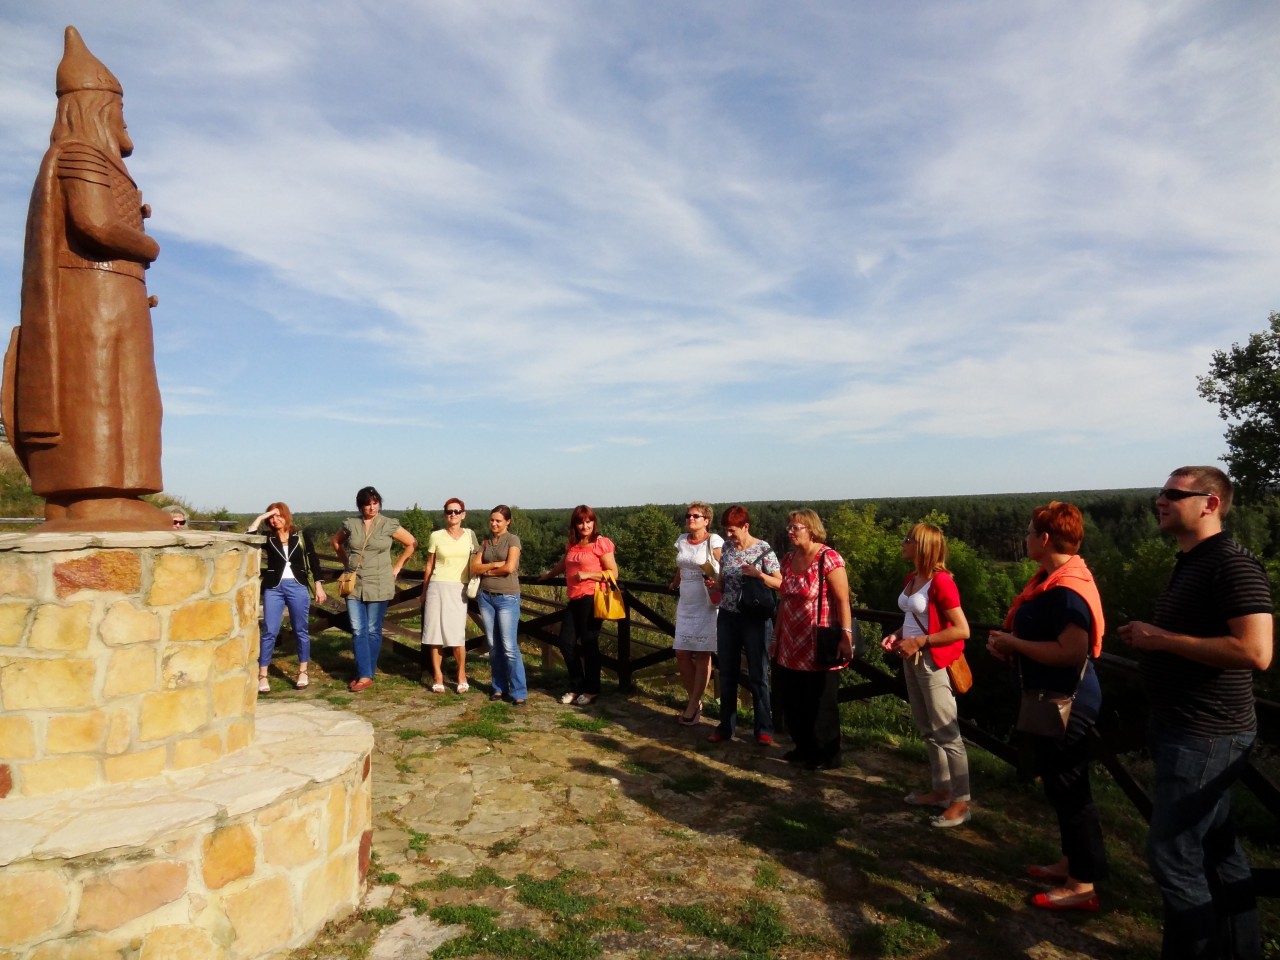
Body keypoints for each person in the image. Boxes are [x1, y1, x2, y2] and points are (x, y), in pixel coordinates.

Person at [2, 26, 171, 531]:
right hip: (95, 298)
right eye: (117, 111)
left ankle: (94, 496)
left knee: (125, 389)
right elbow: (94, 224)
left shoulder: (92, 159)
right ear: (98, 109)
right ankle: (95, 494)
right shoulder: (82, 154)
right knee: (104, 386)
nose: (124, 124)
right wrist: (149, 245)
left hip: (112, 294)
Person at [1118, 467, 1273, 957]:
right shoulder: (1193, 562)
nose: (1159, 501)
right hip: (1184, 728)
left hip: (1205, 734)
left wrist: (1162, 639)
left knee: (1172, 857)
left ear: (1210, 503)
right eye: (1160, 493)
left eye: (1172, 494)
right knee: (1218, 852)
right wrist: (1152, 639)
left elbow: (1256, 652)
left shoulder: (1232, 564)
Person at [988, 502, 1109, 909]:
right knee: (1060, 785)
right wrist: (1008, 646)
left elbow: (1070, 652)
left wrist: (1015, 644)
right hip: (1051, 697)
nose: (1024, 538)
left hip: (1067, 702)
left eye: (1028, 532)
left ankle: (1082, 886)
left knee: (1071, 788)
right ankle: (1071, 863)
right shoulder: (1051, 579)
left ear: (1044, 539)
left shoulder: (1067, 590)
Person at [882, 523, 973, 828]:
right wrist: (897, 635)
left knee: (947, 732)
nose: (903, 542)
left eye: (908, 539)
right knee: (927, 728)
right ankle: (941, 790)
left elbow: (962, 629)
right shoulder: (913, 578)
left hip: (933, 662)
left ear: (922, 546)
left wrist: (920, 642)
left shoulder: (942, 581)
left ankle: (961, 802)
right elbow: (914, 617)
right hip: (912, 659)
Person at [771, 509, 854, 771]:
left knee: (820, 700)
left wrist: (846, 635)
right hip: (791, 641)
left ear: (812, 529)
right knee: (794, 698)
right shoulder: (788, 559)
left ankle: (827, 754)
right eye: (789, 527)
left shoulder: (828, 558)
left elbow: (843, 600)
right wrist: (776, 636)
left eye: (796, 527)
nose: (790, 532)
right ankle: (803, 747)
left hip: (818, 640)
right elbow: (784, 600)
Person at [331, 486, 416, 692]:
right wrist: (346, 564)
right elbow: (335, 541)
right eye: (368, 504)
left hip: (379, 582)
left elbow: (412, 543)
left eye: (375, 503)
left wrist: (397, 567)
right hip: (354, 584)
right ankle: (365, 674)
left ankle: (365, 674)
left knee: (372, 629)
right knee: (357, 629)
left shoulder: (388, 524)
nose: (372, 507)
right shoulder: (351, 524)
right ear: (360, 505)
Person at [709, 505, 781, 745]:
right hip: (728, 616)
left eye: (732, 530)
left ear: (746, 526)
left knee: (758, 673)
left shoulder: (763, 549)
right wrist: (714, 584)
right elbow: (723, 582)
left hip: (755, 619)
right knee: (727, 672)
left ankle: (764, 729)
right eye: (726, 530)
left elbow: (781, 583)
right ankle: (725, 727)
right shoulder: (727, 549)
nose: (728, 535)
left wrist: (758, 575)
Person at [540, 505, 618, 706]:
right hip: (574, 599)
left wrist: (588, 575)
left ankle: (592, 690)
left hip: (592, 598)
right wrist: (548, 575)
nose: (585, 526)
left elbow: (613, 573)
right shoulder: (573, 544)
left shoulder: (600, 543)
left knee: (589, 644)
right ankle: (577, 686)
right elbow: (564, 564)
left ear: (594, 522)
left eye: (588, 521)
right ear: (575, 524)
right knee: (566, 642)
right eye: (581, 522)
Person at [247, 503, 326, 691]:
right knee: (270, 630)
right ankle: (263, 674)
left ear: (286, 515)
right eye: (272, 517)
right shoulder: (268, 537)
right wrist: (261, 517)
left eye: (279, 515)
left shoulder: (301, 536)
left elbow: (313, 561)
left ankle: (302, 671)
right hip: (274, 588)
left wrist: (318, 585)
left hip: (297, 586)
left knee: (301, 630)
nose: (275, 520)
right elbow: (249, 537)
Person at [667, 502, 723, 725]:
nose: (690, 518)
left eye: (696, 516)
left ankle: (692, 706)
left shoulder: (714, 540)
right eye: (688, 515)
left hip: (706, 602)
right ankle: (695, 700)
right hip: (686, 602)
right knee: (681, 652)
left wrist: (719, 583)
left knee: (702, 654)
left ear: (706, 520)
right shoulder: (682, 539)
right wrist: (674, 582)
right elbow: (682, 565)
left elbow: (724, 566)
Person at [422, 498, 479, 694]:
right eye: (449, 511)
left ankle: (461, 675)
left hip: (459, 588)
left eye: (456, 511)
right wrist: (424, 591)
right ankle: (438, 676)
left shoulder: (470, 535)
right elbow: (430, 565)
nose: (452, 514)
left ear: (463, 514)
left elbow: (478, 558)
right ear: (444, 514)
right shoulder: (436, 536)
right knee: (435, 634)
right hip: (437, 586)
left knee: (456, 635)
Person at [472, 506, 525, 705]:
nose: (494, 524)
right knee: (494, 646)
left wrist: (487, 571)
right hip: (486, 597)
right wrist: (494, 565)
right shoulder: (485, 543)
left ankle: (519, 691)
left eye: (498, 521)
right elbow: (474, 567)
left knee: (509, 646)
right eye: (492, 520)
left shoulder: (513, 540)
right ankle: (498, 687)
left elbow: (509, 567)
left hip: (507, 597)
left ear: (507, 522)